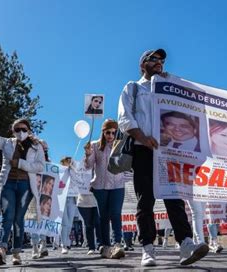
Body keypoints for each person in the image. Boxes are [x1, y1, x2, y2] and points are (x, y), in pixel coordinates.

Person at [118, 48, 208, 267]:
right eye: (154, 59)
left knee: (174, 197)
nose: (160, 62)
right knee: (145, 200)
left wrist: (172, 83)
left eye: (162, 60)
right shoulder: (133, 88)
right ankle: (148, 248)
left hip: (167, 152)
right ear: (143, 65)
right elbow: (124, 119)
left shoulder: (169, 87)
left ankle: (186, 244)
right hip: (143, 150)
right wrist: (144, 137)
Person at [0, 104, 44, 266]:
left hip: (25, 187)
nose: (20, 132)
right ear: (13, 131)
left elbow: (40, 167)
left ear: (29, 130)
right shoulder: (7, 143)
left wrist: (20, 163)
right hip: (7, 184)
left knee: (18, 219)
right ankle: (1, 249)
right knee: (7, 217)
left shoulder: (37, 147)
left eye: (23, 129)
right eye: (17, 129)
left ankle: (16, 252)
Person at [84, 119, 126, 259]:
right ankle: (104, 245)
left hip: (117, 185)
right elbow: (88, 166)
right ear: (103, 132)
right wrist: (88, 154)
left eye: (114, 132)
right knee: (103, 216)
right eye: (108, 132)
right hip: (100, 186)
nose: (111, 135)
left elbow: (126, 164)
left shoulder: (120, 145)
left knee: (115, 213)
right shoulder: (95, 146)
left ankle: (117, 243)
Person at [60, 157, 79, 254]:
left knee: (70, 222)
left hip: (72, 198)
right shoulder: (59, 172)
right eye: (65, 162)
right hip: (62, 199)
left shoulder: (73, 171)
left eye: (68, 162)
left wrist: (71, 169)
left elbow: (77, 180)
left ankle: (66, 242)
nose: (66, 164)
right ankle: (63, 244)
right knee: (65, 222)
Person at [76, 186, 103, 255]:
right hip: (83, 202)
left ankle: (100, 245)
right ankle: (91, 247)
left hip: (97, 200)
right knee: (88, 225)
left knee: (98, 223)